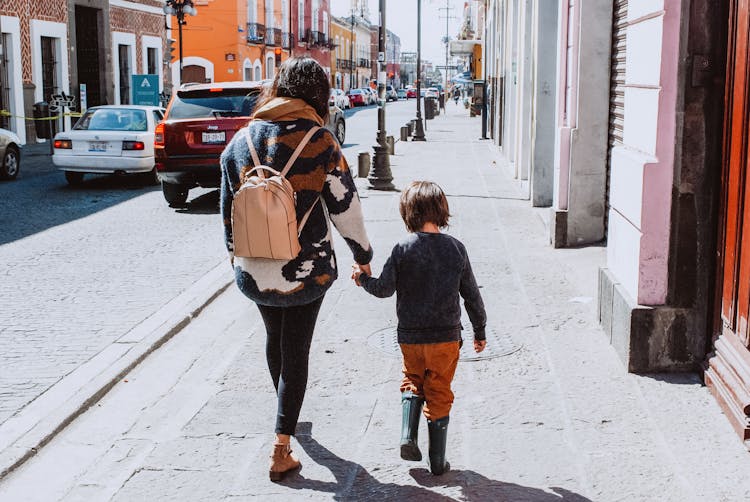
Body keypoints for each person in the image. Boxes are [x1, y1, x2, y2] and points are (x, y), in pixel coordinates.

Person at [220, 57, 373, 482]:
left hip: (256, 268)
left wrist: (237, 258)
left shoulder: (240, 140)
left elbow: (228, 209)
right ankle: (281, 445)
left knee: (275, 339)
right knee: (297, 350)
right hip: (307, 268)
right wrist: (363, 253)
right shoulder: (320, 140)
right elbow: (345, 206)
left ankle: (286, 416)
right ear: (319, 95)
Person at [351, 181, 487, 475]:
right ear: (441, 211)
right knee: (439, 389)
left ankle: (407, 435)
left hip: (410, 337)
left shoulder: (402, 248)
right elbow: (472, 295)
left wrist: (362, 279)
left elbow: (384, 289)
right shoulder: (456, 248)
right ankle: (437, 461)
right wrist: (480, 331)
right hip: (446, 338)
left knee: (412, 380)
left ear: (408, 213)